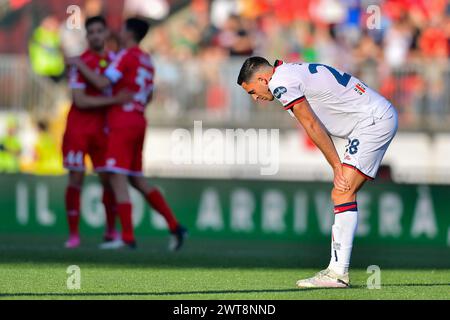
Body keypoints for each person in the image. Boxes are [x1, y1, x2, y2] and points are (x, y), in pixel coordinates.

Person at [237, 57, 398, 288]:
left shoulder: (279, 83)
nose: (255, 98)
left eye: (252, 91)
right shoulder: (288, 71)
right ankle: (337, 272)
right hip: (372, 118)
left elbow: (312, 124)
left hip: (372, 121)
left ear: (263, 79)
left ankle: (337, 274)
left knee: (342, 192)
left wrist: (336, 166)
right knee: (342, 193)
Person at [68, 18, 188, 251]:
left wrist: (79, 64)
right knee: (136, 179)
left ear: (129, 33)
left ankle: (127, 237)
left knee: (117, 178)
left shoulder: (126, 55)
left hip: (122, 122)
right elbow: (150, 93)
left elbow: (103, 83)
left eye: (121, 28)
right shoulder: (146, 59)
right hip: (139, 119)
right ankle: (175, 225)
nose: (118, 31)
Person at [63, 16, 124, 249]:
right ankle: (73, 235)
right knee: (76, 178)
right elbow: (79, 100)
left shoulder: (115, 61)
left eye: (100, 31)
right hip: (78, 129)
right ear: (87, 37)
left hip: (104, 129)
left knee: (108, 180)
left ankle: (110, 231)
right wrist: (113, 100)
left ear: (106, 33)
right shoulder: (80, 62)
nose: (96, 35)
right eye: (92, 32)